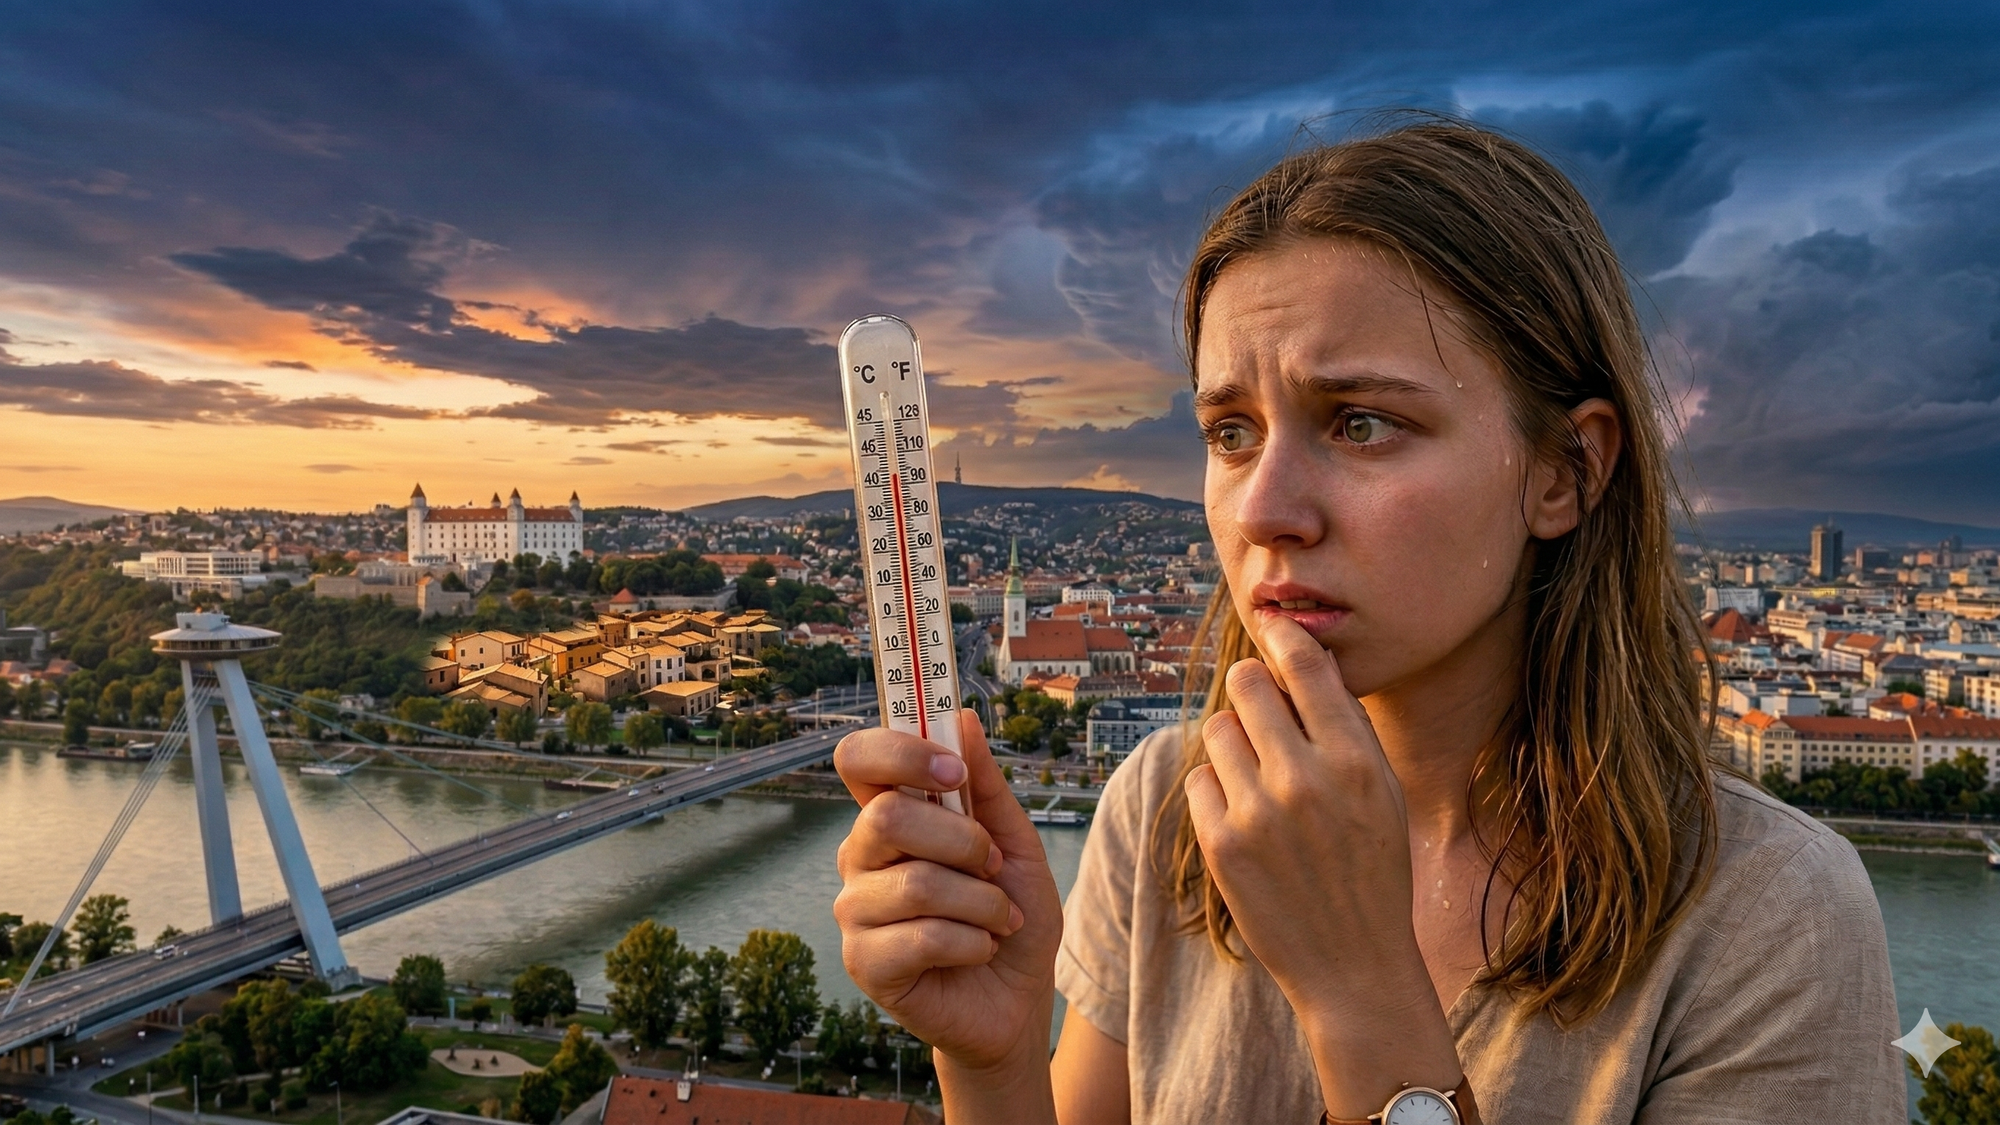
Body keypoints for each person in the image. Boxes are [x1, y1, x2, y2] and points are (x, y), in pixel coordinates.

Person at [831, 119, 1903, 1124]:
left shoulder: (1769, 917)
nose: (1262, 509)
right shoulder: (1163, 806)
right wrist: (993, 1057)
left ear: (1565, 472)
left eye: (1361, 422)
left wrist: (1359, 995)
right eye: (1231, 431)